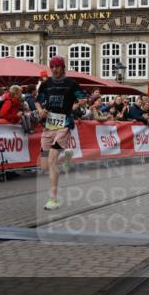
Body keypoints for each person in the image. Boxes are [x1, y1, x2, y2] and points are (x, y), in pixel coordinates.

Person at [35, 56, 87, 210]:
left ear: (63, 67)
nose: (55, 69)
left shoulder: (71, 84)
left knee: (51, 161)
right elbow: (38, 100)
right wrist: (40, 111)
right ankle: (66, 157)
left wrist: (75, 106)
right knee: (44, 165)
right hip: (49, 126)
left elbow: (83, 98)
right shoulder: (46, 84)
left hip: (64, 126)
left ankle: (53, 199)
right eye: (53, 66)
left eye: (58, 66)